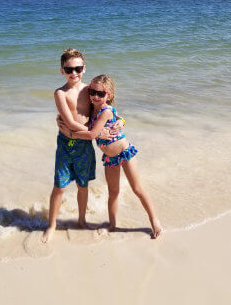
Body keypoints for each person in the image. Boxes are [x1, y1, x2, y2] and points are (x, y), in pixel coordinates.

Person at [62, 74, 162, 239]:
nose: (95, 96)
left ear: (109, 95)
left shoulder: (105, 111)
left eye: (100, 94)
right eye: (92, 92)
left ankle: (154, 220)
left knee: (137, 189)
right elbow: (112, 119)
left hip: (124, 152)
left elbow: (93, 134)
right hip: (110, 158)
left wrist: (70, 133)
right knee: (113, 192)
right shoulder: (93, 109)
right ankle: (112, 224)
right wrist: (121, 120)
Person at [42, 49, 122, 243]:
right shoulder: (60, 93)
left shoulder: (90, 91)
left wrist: (121, 121)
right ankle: (51, 224)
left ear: (84, 68)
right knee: (59, 187)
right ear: (62, 71)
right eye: (69, 69)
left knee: (82, 185)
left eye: (78, 68)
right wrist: (95, 133)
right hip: (66, 146)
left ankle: (81, 220)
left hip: (85, 146)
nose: (74, 73)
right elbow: (69, 122)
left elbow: (106, 110)